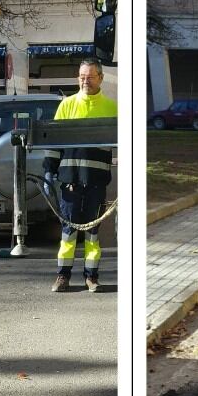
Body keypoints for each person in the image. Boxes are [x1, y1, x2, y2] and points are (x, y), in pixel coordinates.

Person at [43, 59, 117, 293]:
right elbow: (54, 143)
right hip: (70, 182)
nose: (86, 80)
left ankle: (91, 277)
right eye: (82, 76)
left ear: (101, 78)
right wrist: (49, 170)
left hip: (96, 181)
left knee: (93, 234)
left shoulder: (112, 108)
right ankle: (63, 277)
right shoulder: (66, 106)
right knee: (69, 232)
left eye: (91, 76)